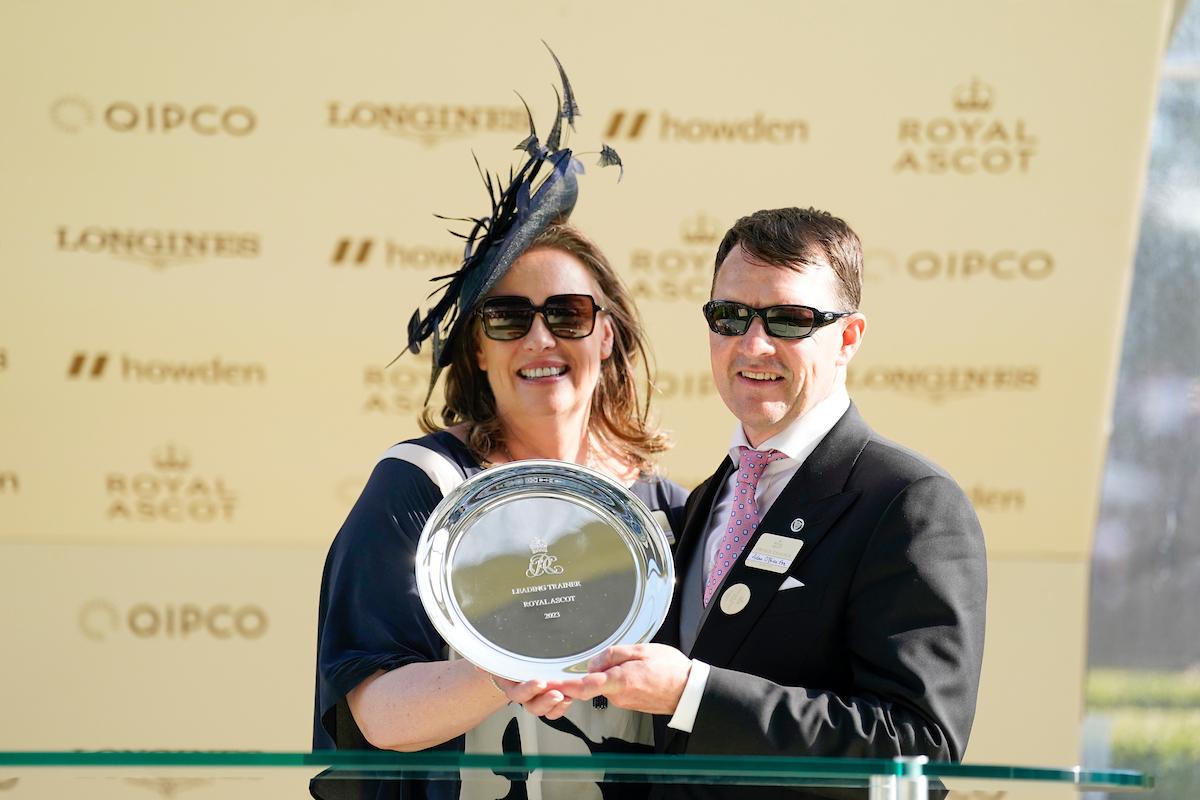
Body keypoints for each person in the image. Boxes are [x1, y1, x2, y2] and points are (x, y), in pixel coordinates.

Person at [311, 53, 685, 800]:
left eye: (569, 315)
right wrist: (504, 672)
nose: (541, 340)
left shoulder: (666, 513)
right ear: (477, 350)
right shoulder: (422, 487)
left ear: (606, 335)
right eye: (510, 318)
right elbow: (373, 715)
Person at [554, 207, 988, 796]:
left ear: (849, 338)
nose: (753, 344)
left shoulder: (909, 503)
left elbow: (918, 749)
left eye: (788, 319)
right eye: (730, 316)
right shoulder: (706, 500)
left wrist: (694, 693)